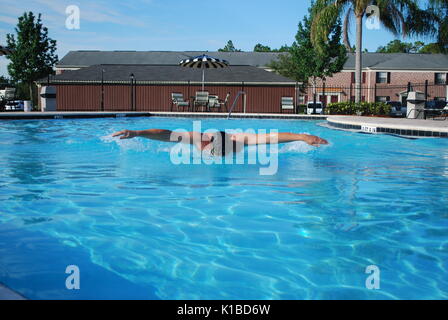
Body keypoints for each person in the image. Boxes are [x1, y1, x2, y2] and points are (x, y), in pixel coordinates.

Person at [112, 129, 328, 156]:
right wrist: (137, 133)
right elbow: (166, 134)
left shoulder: (239, 141)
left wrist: (302, 136)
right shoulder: (197, 139)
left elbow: (271, 138)